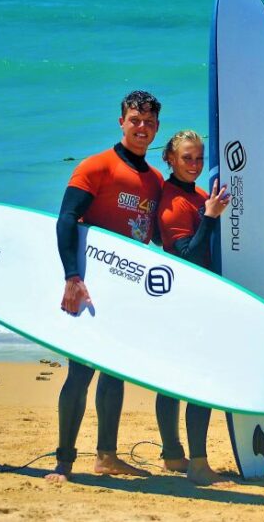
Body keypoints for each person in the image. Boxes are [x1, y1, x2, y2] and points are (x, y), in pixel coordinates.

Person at [45, 90, 165, 483]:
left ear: (157, 128)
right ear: (121, 122)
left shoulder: (155, 181)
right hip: (90, 286)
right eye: (135, 120)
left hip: (127, 289)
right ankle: (64, 462)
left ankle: (107, 456)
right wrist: (72, 278)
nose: (142, 128)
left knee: (115, 372)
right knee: (80, 373)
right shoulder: (97, 166)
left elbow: (159, 235)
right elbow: (67, 218)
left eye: (149, 122)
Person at [155, 130, 231, 485]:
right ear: (170, 158)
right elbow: (186, 255)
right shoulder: (173, 203)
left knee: (172, 382)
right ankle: (198, 465)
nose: (195, 164)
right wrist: (211, 217)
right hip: (187, 302)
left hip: (188, 300)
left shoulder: (198, 195)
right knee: (202, 379)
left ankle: (173, 455)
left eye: (199, 158)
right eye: (187, 158)